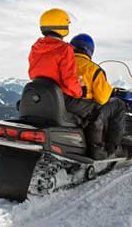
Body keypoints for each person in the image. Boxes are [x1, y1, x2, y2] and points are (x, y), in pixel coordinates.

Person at [28, 8, 106, 159]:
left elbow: (32, 73)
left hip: (39, 95)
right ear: (61, 26)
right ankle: (94, 151)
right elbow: (69, 79)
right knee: (97, 109)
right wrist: (80, 91)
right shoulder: (65, 49)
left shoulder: (35, 47)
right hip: (61, 98)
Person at [70, 33, 126, 158]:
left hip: (65, 104)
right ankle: (113, 148)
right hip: (84, 108)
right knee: (118, 104)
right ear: (89, 50)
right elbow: (102, 98)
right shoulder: (93, 69)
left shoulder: (62, 65)